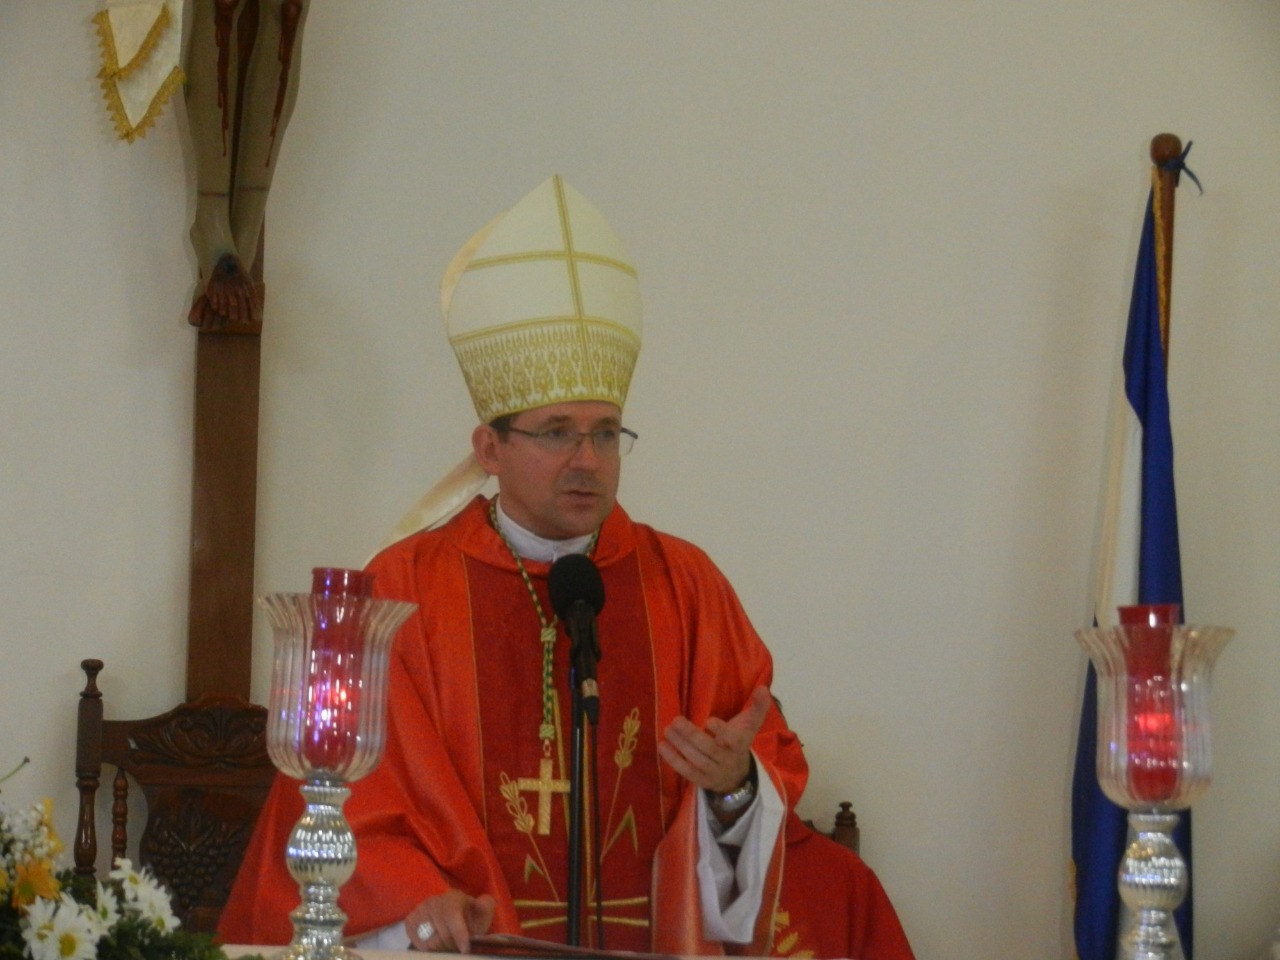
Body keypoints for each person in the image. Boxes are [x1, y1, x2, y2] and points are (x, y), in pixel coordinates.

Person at [219, 176, 913, 959]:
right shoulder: (406, 591)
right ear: (489, 449)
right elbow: (350, 797)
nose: (587, 461)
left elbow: (763, 762)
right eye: (557, 432)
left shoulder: (685, 588)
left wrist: (734, 785)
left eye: (607, 434)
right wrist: (417, 902)